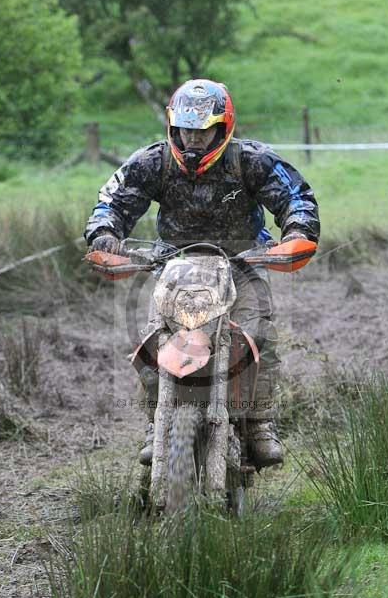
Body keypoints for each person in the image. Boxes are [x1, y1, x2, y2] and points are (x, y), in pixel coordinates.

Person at [84, 79, 319, 469]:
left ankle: (260, 421)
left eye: (201, 130)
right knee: (152, 340)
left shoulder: (252, 161)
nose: (192, 139)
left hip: (241, 263)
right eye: (185, 130)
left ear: (221, 128)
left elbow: (295, 196)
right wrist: (105, 234)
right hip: (174, 266)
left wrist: (297, 230)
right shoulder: (153, 162)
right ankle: (155, 421)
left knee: (259, 334)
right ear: (173, 127)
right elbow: (113, 199)